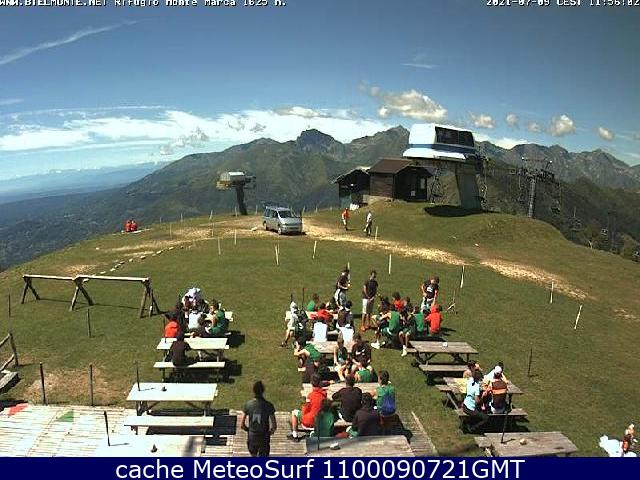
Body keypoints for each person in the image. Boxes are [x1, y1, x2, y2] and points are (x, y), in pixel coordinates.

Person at [241, 380, 277, 457]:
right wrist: (270, 432)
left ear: (253, 391)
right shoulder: (269, 405)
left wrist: (249, 430)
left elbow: (242, 425)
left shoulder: (248, 404)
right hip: (264, 436)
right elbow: (274, 426)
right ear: (263, 391)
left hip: (252, 436)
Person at [289, 374, 326, 441]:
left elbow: (305, 410)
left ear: (311, 383)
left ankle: (295, 435)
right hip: (320, 421)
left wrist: (303, 406)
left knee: (294, 412)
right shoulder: (324, 395)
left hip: (310, 422)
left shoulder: (310, 396)